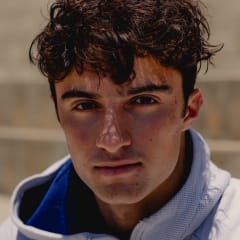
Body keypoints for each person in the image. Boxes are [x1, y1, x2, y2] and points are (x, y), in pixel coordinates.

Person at [1, 0, 240, 239]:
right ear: (58, 113)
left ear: (190, 110)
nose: (112, 140)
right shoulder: (15, 233)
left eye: (143, 101)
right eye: (85, 106)